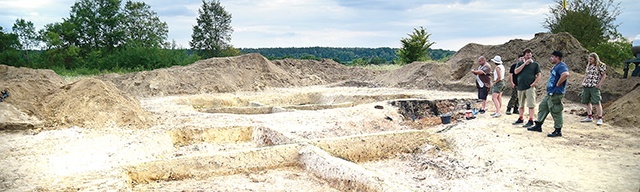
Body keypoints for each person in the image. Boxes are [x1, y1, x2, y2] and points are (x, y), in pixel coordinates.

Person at [527, 51, 570, 137]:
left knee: (555, 110)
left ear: (557, 57)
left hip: (556, 92)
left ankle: (558, 130)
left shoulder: (561, 66)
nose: (551, 58)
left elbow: (565, 74)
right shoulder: (556, 66)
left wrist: (558, 84)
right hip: (550, 92)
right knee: (543, 107)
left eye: (552, 57)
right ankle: (538, 125)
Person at [512, 49, 541, 127]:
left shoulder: (535, 64)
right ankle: (520, 118)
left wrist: (534, 83)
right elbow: (516, 72)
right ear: (524, 55)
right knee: (521, 104)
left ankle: (531, 120)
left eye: (530, 54)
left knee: (531, 104)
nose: (529, 56)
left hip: (529, 87)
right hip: (521, 87)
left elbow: (539, 75)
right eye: (527, 54)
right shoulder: (520, 63)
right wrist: (524, 64)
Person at [580, 52, 607, 125]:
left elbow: (604, 75)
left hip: (594, 85)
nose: (589, 60)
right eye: (589, 59)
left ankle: (600, 118)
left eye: (591, 59)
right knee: (587, 101)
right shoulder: (589, 65)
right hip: (587, 85)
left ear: (595, 58)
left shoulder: (600, 65)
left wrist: (599, 84)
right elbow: (586, 74)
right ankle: (589, 116)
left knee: (597, 101)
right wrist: (583, 82)